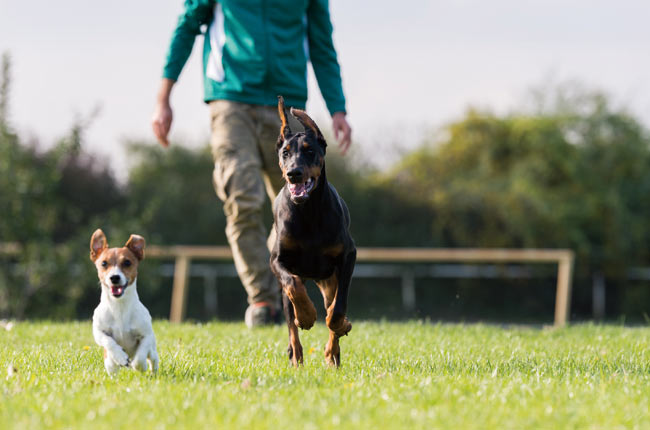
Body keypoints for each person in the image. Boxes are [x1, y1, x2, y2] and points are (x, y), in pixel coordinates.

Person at [151, 0, 352, 327]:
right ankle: (263, 299)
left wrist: (338, 108)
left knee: (299, 205)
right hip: (231, 98)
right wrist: (163, 98)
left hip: (286, 104)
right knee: (242, 198)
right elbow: (188, 24)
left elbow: (321, 43)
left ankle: (285, 285)